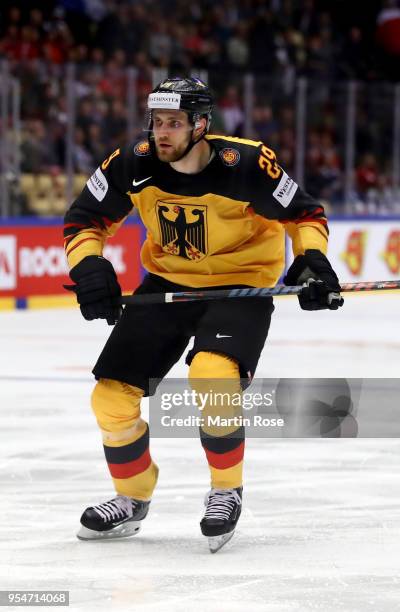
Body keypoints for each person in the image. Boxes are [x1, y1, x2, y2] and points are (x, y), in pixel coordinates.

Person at [64, 76, 343, 552]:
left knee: (214, 378)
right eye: (156, 122)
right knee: (110, 399)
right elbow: (84, 220)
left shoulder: (248, 163)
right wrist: (88, 265)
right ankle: (132, 497)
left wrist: (313, 260)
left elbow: (304, 215)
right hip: (168, 284)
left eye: (174, 122)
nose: (162, 133)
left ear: (201, 125)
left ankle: (225, 489)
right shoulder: (133, 162)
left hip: (240, 287)